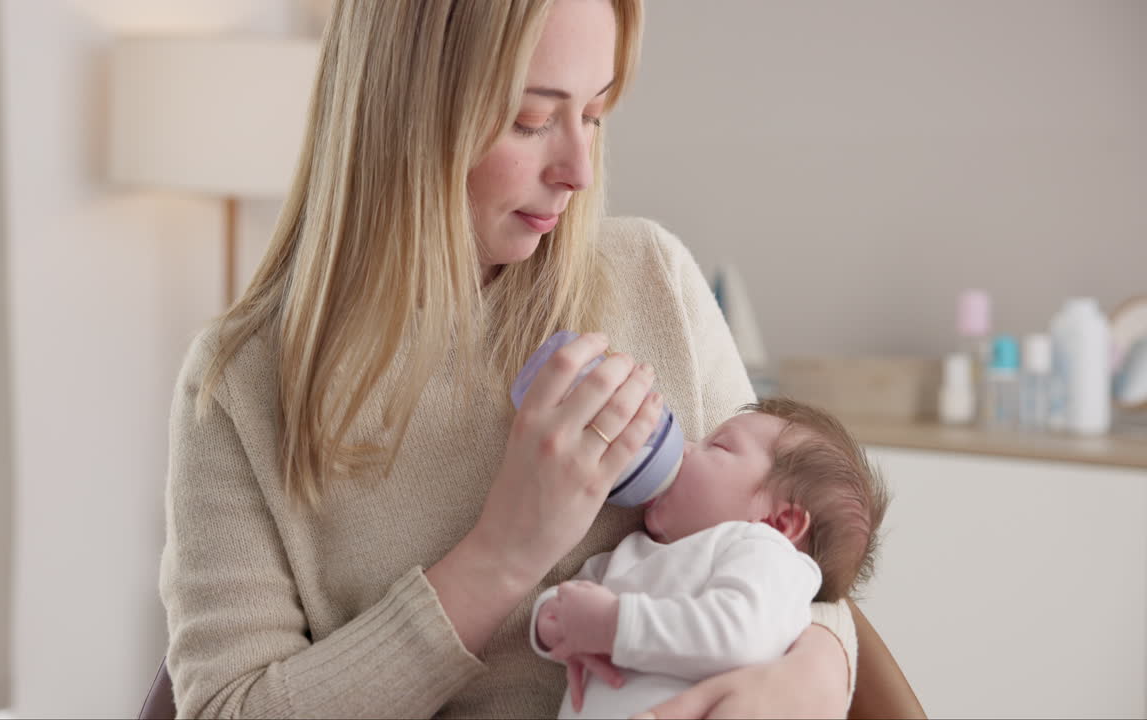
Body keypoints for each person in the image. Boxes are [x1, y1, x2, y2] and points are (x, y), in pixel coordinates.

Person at [160, 0, 863, 717]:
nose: (579, 170)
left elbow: (795, 560)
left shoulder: (654, 278)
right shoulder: (244, 387)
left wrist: (815, 673)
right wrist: (502, 553)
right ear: (406, 109)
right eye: (532, 120)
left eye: (594, 113)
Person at [530, 397, 891, 719]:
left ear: (779, 522)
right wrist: (551, 623)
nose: (684, 449)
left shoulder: (763, 552)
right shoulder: (632, 552)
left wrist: (613, 624)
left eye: (717, 445)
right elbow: (570, 598)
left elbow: (739, 633)